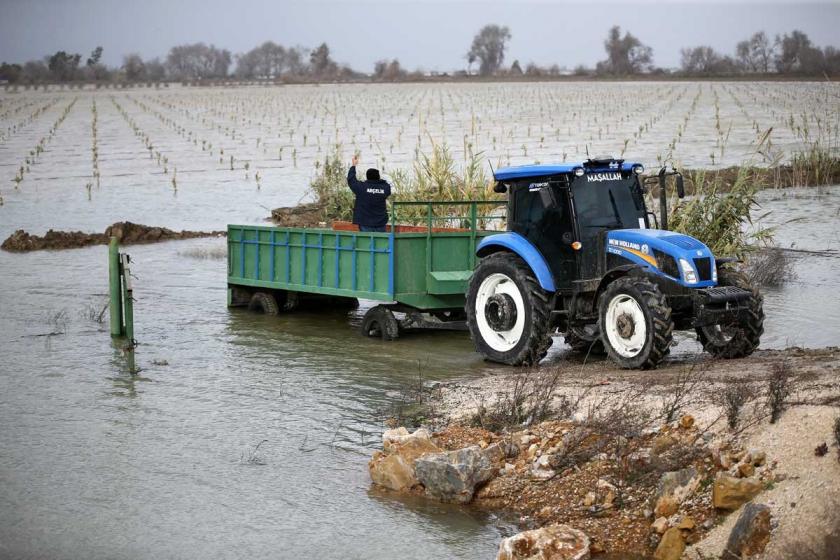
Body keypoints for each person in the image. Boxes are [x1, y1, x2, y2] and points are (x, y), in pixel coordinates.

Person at [347, 155, 391, 232]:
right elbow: (387, 185)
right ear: (378, 177)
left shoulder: (361, 187)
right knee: (380, 242)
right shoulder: (385, 188)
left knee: (368, 243)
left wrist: (353, 166)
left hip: (365, 223)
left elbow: (351, 180)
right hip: (380, 223)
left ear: (367, 177)